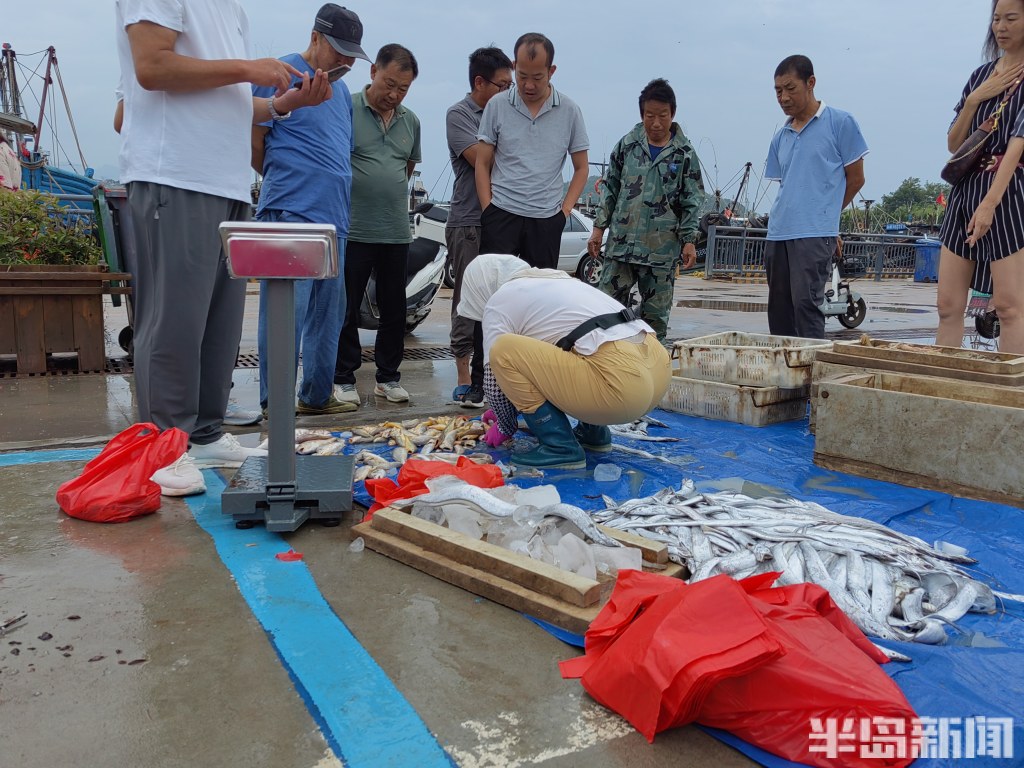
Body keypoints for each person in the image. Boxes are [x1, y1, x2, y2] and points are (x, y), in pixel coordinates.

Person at [116, 0, 330, 496]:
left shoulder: (229, 9)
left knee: (217, 324)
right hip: (175, 175)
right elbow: (152, 67)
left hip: (228, 185)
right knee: (173, 321)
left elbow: (229, 101)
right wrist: (249, 67)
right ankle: (162, 446)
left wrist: (286, 104)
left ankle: (205, 433)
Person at [253, 4, 369, 418]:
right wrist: (279, 176)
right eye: (338, 50)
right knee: (286, 311)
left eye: (351, 54)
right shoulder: (281, 72)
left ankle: (317, 395)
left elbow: (341, 149)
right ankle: (276, 401)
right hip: (290, 211)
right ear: (316, 37)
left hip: (334, 219)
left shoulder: (340, 93)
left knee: (328, 314)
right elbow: (255, 133)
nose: (345, 61)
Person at [458, 254, 670, 469]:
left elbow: (493, 376)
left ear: (480, 286)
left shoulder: (499, 299)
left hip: (621, 387)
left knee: (503, 349)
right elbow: (548, 364)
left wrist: (504, 422)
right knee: (578, 345)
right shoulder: (561, 282)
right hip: (657, 370)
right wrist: (510, 404)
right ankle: (593, 434)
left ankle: (559, 447)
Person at [333, 44, 421, 405]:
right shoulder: (347, 107)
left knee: (394, 309)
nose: (394, 94)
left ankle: (388, 377)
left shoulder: (410, 121)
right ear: (373, 73)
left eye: (403, 88)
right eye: (389, 84)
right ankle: (343, 378)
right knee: (346, 308)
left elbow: (406, 169)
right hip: (353, 229)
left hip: (395, 232)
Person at [936, 0, 1024, 354]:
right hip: (965, 188)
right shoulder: (980, 75)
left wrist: (989, 205)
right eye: (996, 19)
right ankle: (943, 385)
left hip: (1006, 191)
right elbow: (954, 143)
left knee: (1009, 307)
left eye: (1011, 18)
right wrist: (974, 99)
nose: (1000, 26)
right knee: (947, 305)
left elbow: (1018, 144)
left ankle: (1011, 394)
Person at [588, 78, 705, 341]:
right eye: (649, 115)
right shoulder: (627, 146)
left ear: (672, 114)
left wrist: (689, 241)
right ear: (642, 114)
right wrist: (598, 229)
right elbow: (611, 189)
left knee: (655, 326)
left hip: (660, 254)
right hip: (622, 247)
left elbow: (692, 200)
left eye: (662, 116)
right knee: (605, 314)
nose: (655, 123)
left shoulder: (684, 154)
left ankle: (651, 378)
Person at [764, 54, 867, 339]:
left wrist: (827, 222)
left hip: (813, 235)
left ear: (811, 83)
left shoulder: (840, 123)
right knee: (779, 310)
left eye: (790, 88)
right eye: (777, 91)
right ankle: (785, 376)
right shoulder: (781, 136)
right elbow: (790, 186)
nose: (783, 97)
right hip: (778, 233)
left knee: (807, 307)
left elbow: (856, 179)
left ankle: (809, 376)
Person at [474, 33, 589, 268]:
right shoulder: (497, 105)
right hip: (502, 212)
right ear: (514, 66)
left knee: (539, 295)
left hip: (546, 219)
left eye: (537, 77)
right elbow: (482, 163)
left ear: (552, 71)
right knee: (493, 291)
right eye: (522, 75)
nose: (528, 85)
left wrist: (563, 213)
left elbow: (581, 168)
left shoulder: (569, 110)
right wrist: (488, 210)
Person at [446, 47, 513, 409]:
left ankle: (490, 372)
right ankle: (462, 374)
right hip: (469, 219)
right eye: (503, 85)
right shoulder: (459, 115)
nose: (509, 91)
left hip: (502, 219)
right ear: (479, 82)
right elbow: (482, 160)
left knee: (499, 300)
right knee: (467, 298)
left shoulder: (508, 113)